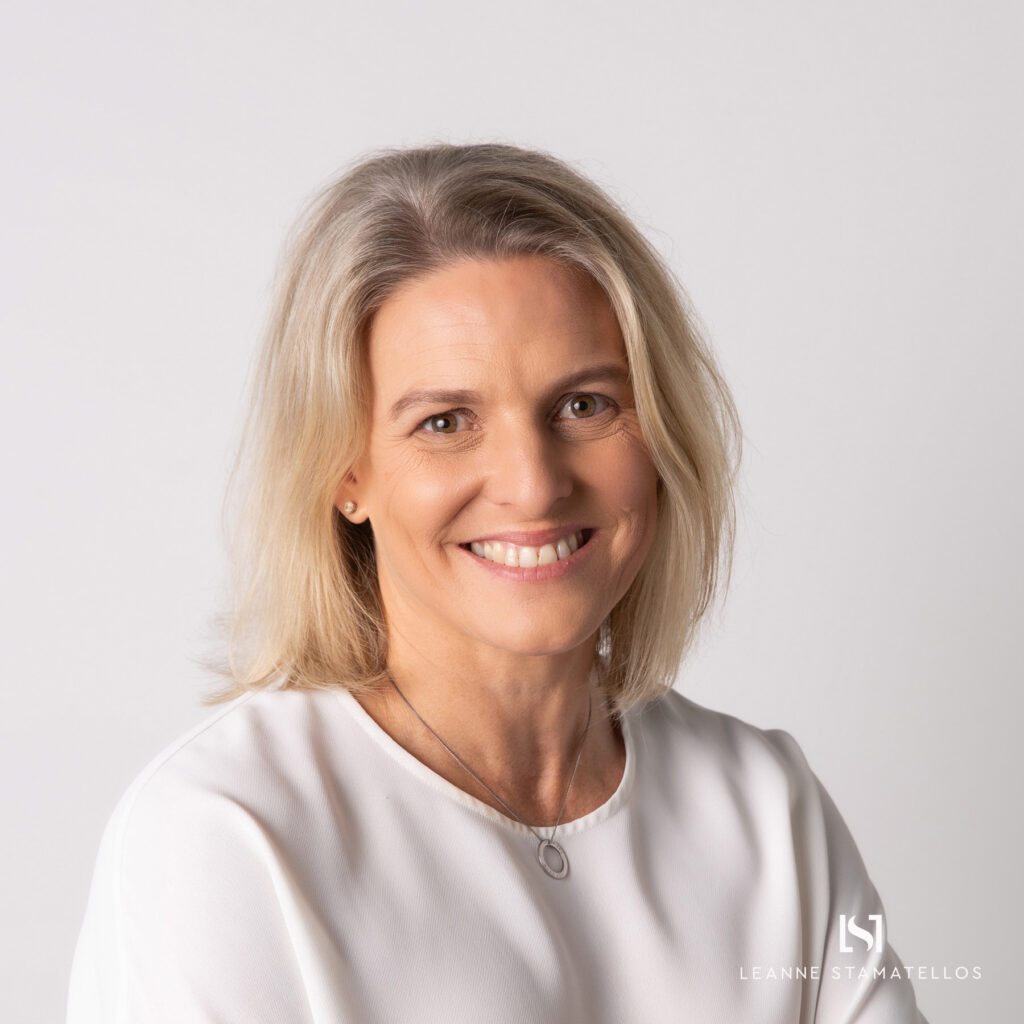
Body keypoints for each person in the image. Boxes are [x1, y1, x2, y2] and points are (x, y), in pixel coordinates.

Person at [67, 143, 928, 1023]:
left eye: (585, 404)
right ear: (344, 472)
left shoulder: (765, 806)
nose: (533, 482)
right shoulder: (222, 839)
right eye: (446, 421)